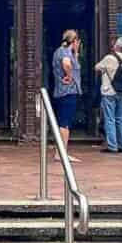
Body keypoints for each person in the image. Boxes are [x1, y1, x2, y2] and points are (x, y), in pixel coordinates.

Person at [95, 37, 122, 153]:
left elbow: (96, 67)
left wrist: (105, 71)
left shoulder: (109, 58)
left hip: (109, 92)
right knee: (121, 119)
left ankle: (112, 146)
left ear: (116, 46)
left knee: (110, 119)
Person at [50, 29, 82, 161]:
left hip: (62, 91)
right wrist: (69, 76)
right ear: (74, 41)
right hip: (67, 91)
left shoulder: (62, 51)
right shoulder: (64, 52)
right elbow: (66, 64)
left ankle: (60, 151)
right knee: (64, 123)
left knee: (63, 122)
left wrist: (76, 54)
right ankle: (62, 153)